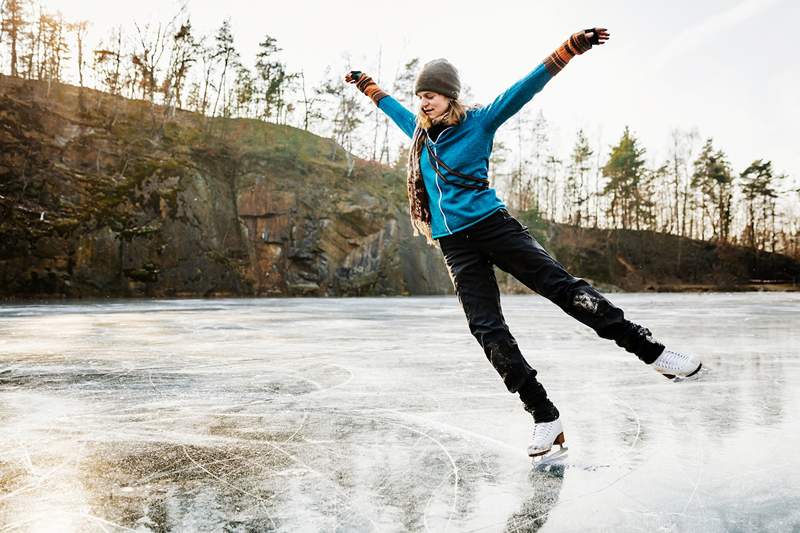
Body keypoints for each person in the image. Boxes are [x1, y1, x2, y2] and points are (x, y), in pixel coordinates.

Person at [345, 28, 702, 458]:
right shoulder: (419, 133)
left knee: (565, 291)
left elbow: (526, 86)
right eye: (420, 94)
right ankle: (545, 417)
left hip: (494, 227)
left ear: (451, 96)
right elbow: (388, 106)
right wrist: (367, 86)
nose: (424, 101)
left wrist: (569, 49)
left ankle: (654, 353)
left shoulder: (480, 122)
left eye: (433, 94)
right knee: (486, 329)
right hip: (454, 245)